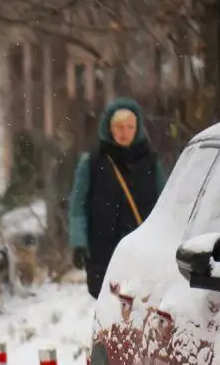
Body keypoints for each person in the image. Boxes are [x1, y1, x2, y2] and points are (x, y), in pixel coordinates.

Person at [68, 97, 166, 298]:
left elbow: (165, 204)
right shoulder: (92, 163)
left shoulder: (150, 162)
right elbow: (78, 206)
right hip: (104, 249)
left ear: (137, 128)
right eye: (119, 126)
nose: (124, 132)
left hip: (143, 250)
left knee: (142, 305)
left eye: (130, 126)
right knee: (109, 305)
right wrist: (79, 242)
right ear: (109, 128)